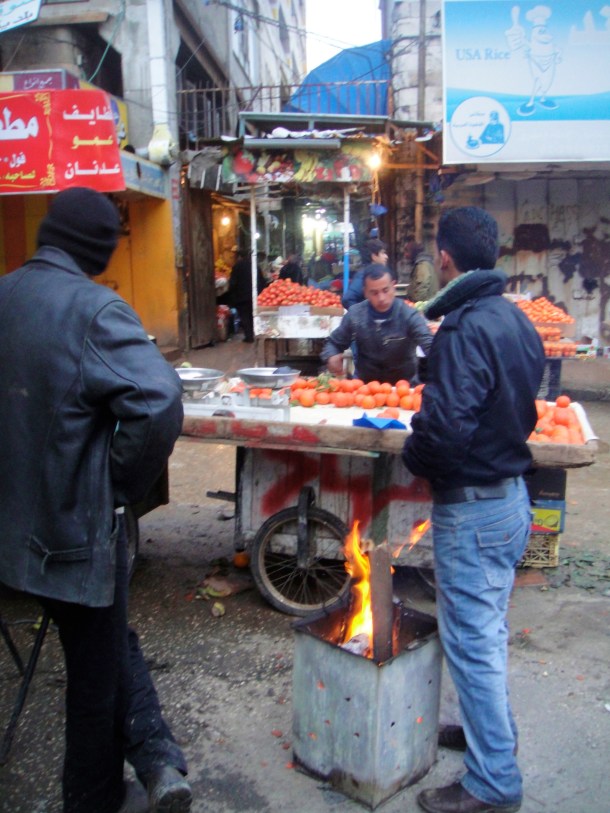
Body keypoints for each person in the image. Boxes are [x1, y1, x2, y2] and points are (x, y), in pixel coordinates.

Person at [0, 188, 192, 813]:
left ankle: (158, 762)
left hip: (9, 532)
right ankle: (94, 799)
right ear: (99, 248)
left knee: (108, 647)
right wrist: (117, 482)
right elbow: (159, 401)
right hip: (67, 534)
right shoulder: (94, 310)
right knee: (92, 682)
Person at [402, 207, 546, 813]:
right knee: (485, 635)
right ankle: (490, 737)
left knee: (473, 642)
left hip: (477, 508)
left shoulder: (463, 328)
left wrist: (413, 450)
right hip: (510, 498)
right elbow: (522, 410)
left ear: (445, 259)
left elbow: (444, 432)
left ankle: (494, 785)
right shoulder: (516, 322)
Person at [320, 263, 433, 385]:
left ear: (393, 286)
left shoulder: (408, 315)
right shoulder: (355, 315)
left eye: (386, 290)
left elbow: (430, 344)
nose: (381, 298)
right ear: (365, 293)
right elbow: (334, 342)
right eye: (374, 293)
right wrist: (331, 356)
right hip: (366, 388)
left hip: (403, 388)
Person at [229, 248, 266, 343]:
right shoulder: (255, 266)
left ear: (240, 256)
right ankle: (254, 334)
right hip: (254, 295)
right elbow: (261, 281)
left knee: (244, 316)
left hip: (241, 296)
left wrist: (232, 294)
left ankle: (249, 336)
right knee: (252, 315)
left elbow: (233, 283)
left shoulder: (237, 266)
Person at [341, 237, 389, 310]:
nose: (386, 257)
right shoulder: (364, 275)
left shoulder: (377, 273)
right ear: (374, 256)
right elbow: (348, 299)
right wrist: (360, 315)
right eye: (383, 253)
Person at [405, 237, 438, 304]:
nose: (405, 255)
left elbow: (423, 284)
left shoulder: (422, 265)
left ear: (413, 252)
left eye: (407, 251)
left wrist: (417, 303)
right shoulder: (422, 264)